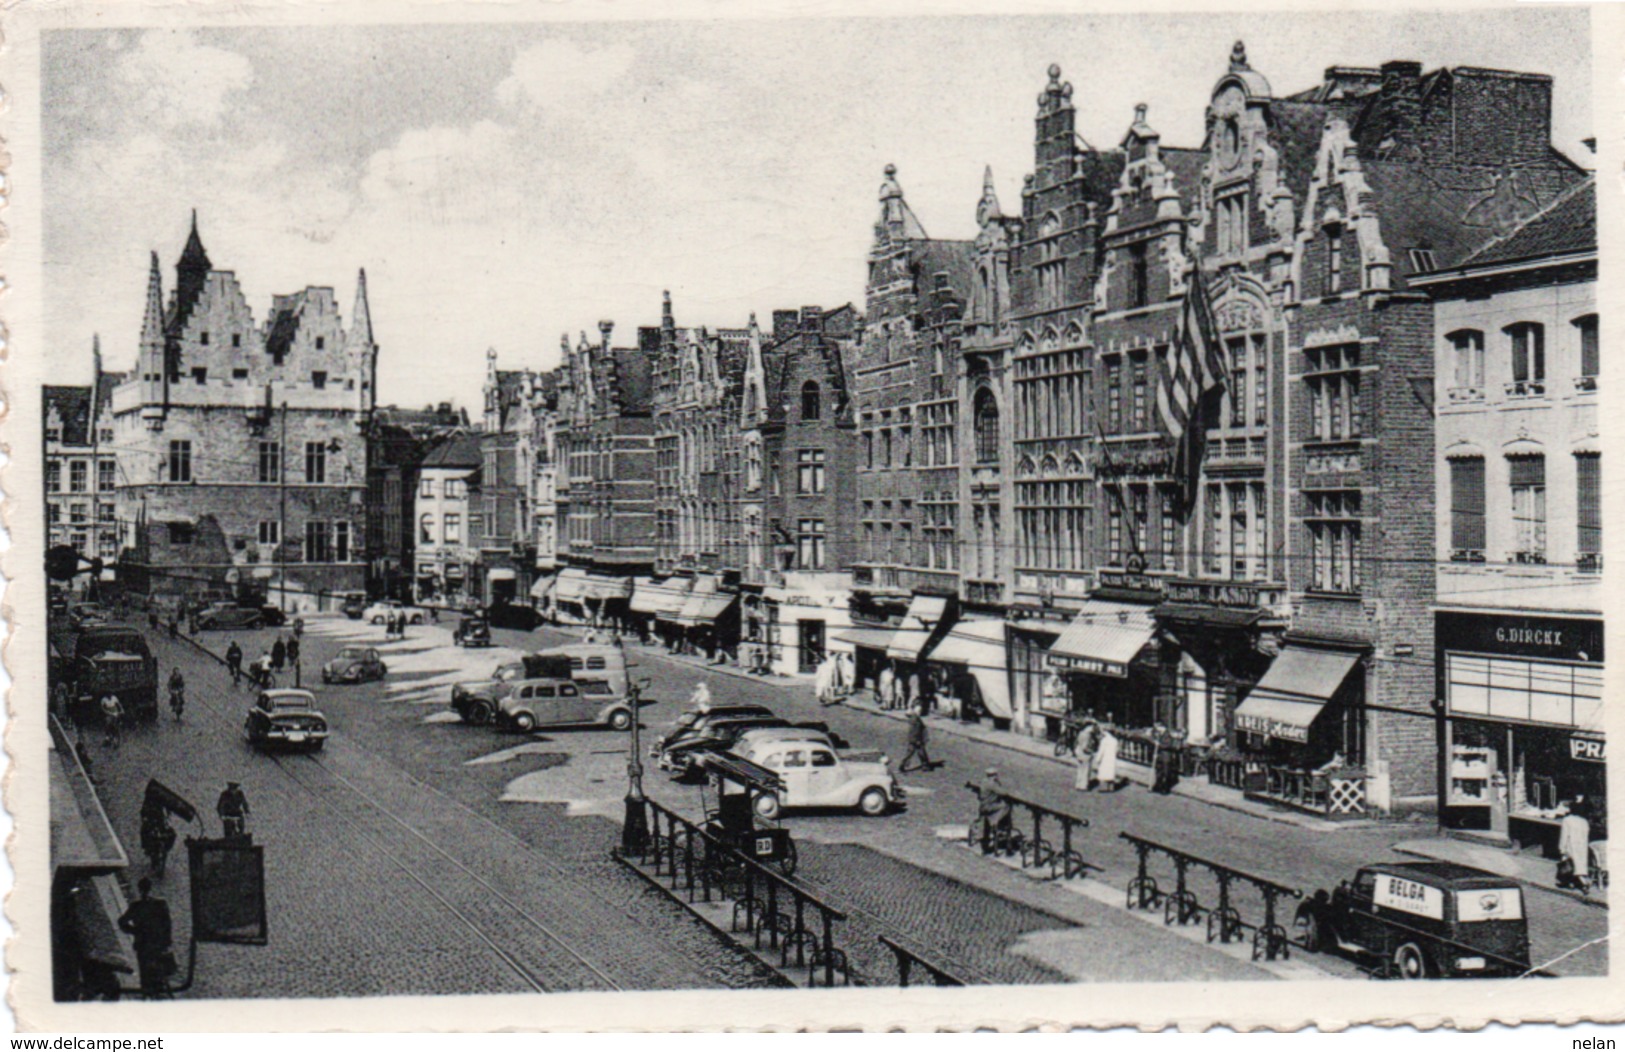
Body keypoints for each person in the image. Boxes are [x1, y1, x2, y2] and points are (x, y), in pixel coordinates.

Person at [118, 878, 175, 999]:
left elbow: (122, 921)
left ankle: (147, 994)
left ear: (139, 889)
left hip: (143, 944)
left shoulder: (136, 906)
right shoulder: (160, 904)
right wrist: (167, 939)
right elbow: (167, 924)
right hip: (157, 943)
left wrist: (134, 931)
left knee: (144, 972)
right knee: (159, 970)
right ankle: (159, 990)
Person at [976, 768, 1014, 854]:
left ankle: (995, 821)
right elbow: (1003, 793)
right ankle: (996, 821)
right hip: (989, 807)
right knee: (1006, 806)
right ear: (994, 776)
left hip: (983, 806)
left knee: (1001, 805)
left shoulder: (984, 781)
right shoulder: (992, 784)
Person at [1558, 797, 1592, 893]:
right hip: (1582, 846)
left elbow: (1564, 835)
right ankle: (1572, 883)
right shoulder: (1584, 822)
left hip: (1571, 846)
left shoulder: (1567, 820)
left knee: (1569, 865)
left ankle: (1584, 883)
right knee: (1580, 865)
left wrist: (1562, 848)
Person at [139, 796, 176, 876]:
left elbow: (168, 809)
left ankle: (163, 851)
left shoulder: (161, 801)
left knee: (170, 834)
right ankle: (149, 850)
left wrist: (167, 816)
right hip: (151, 822)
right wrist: (145, 818)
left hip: (159, 821)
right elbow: (143, 812)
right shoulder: (149, 802)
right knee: (147, 834)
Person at [900, 706, 935, 773]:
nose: (921, 712)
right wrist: (917, 740)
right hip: (916, 740)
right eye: (920, 711)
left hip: (916, 740)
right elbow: (915, 731)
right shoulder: (915, 720)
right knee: (917, 753)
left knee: (919, 753)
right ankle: (924, 766)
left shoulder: (915, 718)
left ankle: (925, 766)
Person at [1073, 718, 1101, 793]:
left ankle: (1078, 784)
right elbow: (1085, 747)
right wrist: (1091, 752)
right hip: (1085, 754)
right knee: (1086, 770)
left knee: (1080, 769)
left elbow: (1076, 743)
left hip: (1079, 753)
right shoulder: (1087, 735)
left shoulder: (1081, 733)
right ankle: (1084, 785)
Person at [1095, 721, 1121, 793]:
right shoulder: (1115, 740)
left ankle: (1103, 787)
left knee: (1103, 772)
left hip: (1105, 759)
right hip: (1112, 758)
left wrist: (1098, 759)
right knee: (1110, 772)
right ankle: (1111, 787)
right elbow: (1117, 750)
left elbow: (1101, 751)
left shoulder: (1104, 740)